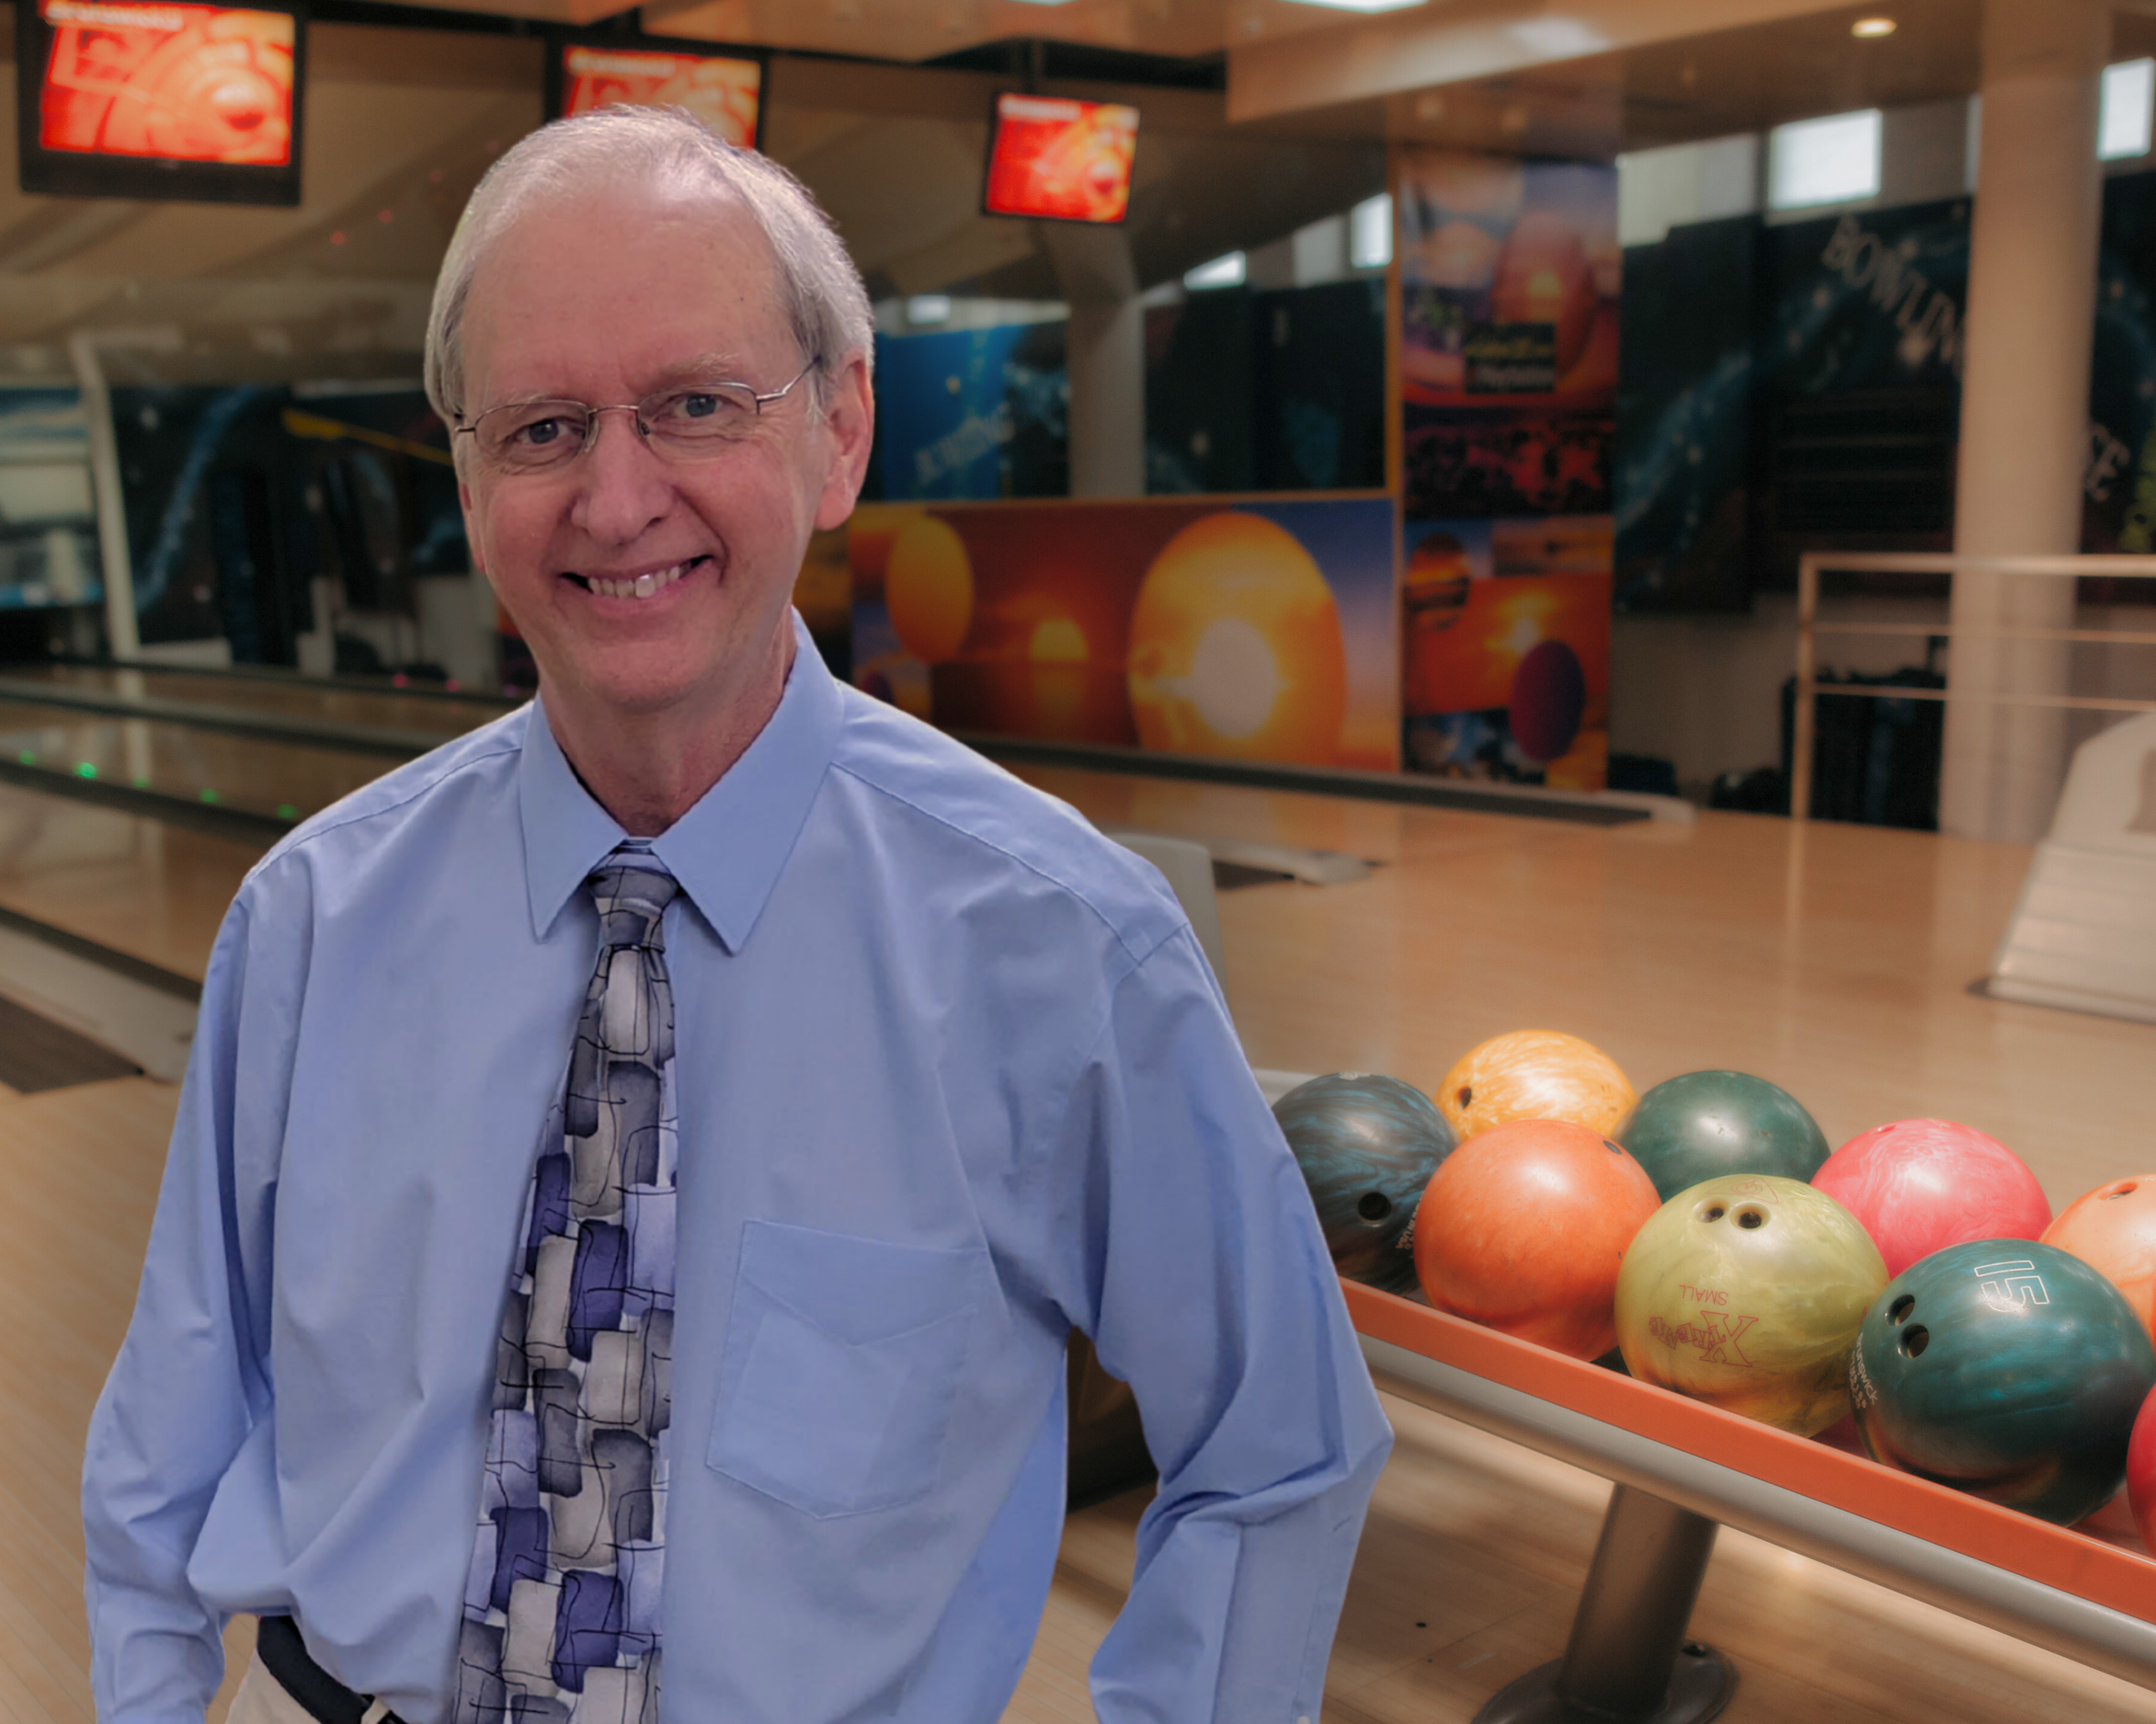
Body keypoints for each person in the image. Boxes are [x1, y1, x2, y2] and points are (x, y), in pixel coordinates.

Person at [82, 105, 1389, 1724]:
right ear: (469, 468)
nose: (615, 499)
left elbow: (1278, 1447)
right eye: (543, 426)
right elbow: (169, 1434)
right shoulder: (311, 921)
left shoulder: (1059, 943)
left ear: (840, 431)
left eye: (695, 404)